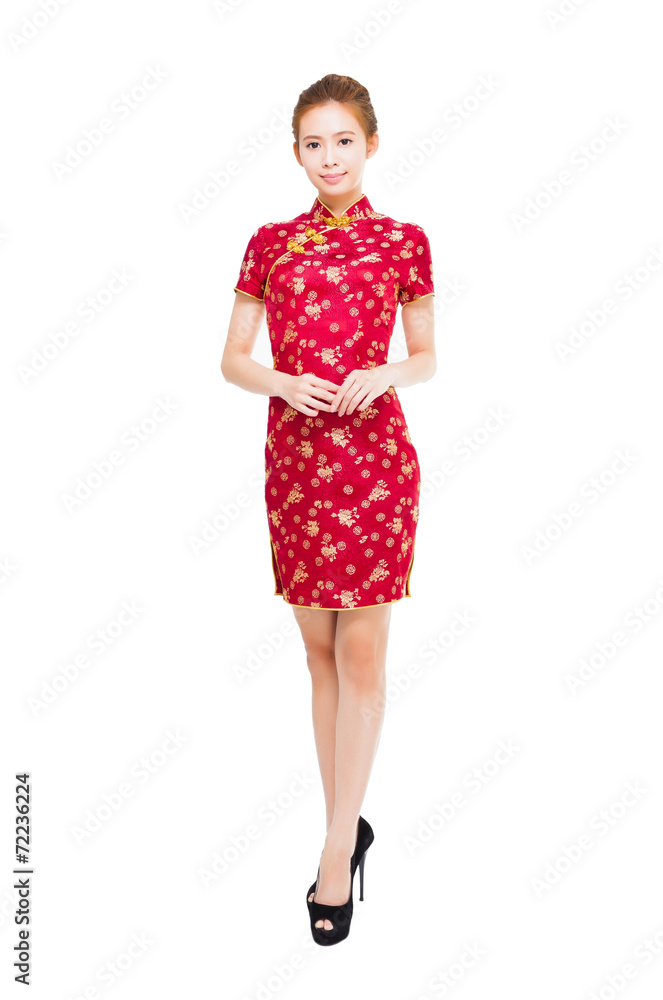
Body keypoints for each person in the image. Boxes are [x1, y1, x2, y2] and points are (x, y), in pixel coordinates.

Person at [221, 73, 436, 945]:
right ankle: (344, 827)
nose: (329, 156)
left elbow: (425, 355)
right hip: (298, 464)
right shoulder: (270, 243)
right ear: (297, 151)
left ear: (370, 144)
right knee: (317, 656)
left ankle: (337, 848)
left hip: (377, 464)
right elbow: (232, 357)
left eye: (343, 140)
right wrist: (282, 380)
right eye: (313, 143)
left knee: (363, 656)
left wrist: (382, 371)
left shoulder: (404, 241)